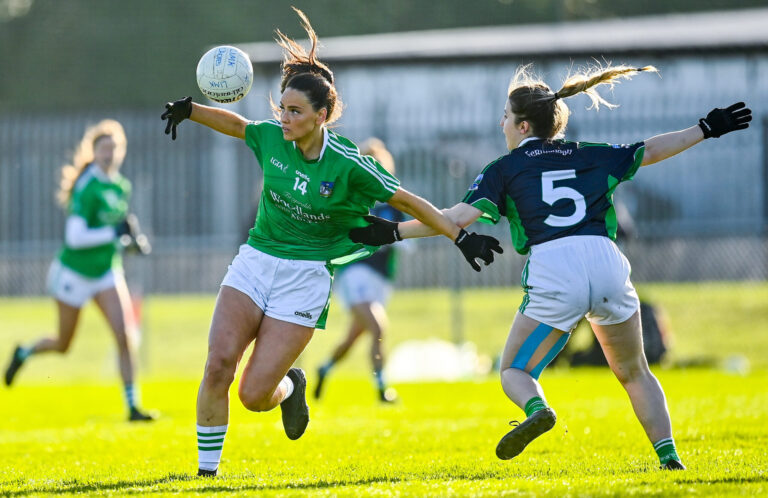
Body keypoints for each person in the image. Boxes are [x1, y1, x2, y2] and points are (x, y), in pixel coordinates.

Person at [350, 62, 752, 470]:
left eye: (506, 116)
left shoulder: (505, 168)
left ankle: (537, 409)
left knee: (514, 369)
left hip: (555, 266)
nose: (501, 124)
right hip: (606, 261)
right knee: (635, 372)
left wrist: (395, 231)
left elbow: (453, 219)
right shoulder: (589, 154)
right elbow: (649, 150)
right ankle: (669, 458)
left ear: (523, 126)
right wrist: (705, 128)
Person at [160, 8, 502, 477]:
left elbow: (408, 202)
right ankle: (205, 475)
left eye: (295, 112)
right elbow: (239, 126)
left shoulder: (350, 164)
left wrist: (459, 237)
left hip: (306, 277)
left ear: (321, 116)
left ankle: (289, 387)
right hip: (255, 261)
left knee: (253, 396)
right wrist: (191, 111)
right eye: (282, 108)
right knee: (219, 365)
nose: (283, 119)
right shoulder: (272, 138)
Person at [4, 119, 154, 422]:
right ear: (94, 152)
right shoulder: (86, 186)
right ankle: (24, 353)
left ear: (122, 151)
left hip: (106, 272)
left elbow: (114, 234)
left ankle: (133, 407)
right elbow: (76, 237)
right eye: (104, 149)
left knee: (125, 336)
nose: (109, 154)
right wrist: (114, 233)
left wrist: (131, 243)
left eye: (114, 148)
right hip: (73, 273)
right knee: (63, 344)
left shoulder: (121, 186)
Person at [315, 138, 404, 403]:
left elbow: (404, 233)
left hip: (380, 278)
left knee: (354, 337)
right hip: (354, 274)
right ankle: (382, 389)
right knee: (378, 328)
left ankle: (325, 368)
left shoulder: (393, 204)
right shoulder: (351, 200)